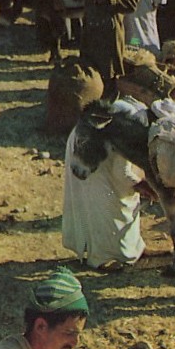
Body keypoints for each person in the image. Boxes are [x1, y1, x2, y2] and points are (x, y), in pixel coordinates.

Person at [62, 97, 149, 273]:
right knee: (108, 210)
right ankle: (103, 258)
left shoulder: (121, 117)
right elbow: (122, 174)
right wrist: (144, 187)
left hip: (91, 158)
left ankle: (134, 249)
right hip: (94, 165)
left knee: (115, 206)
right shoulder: (126, 131)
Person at [69, 0, 139, 99]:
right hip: (91, 33)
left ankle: (109, 97)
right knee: (89, 65)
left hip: (109, 36)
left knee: (109, 70)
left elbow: (131, 5)